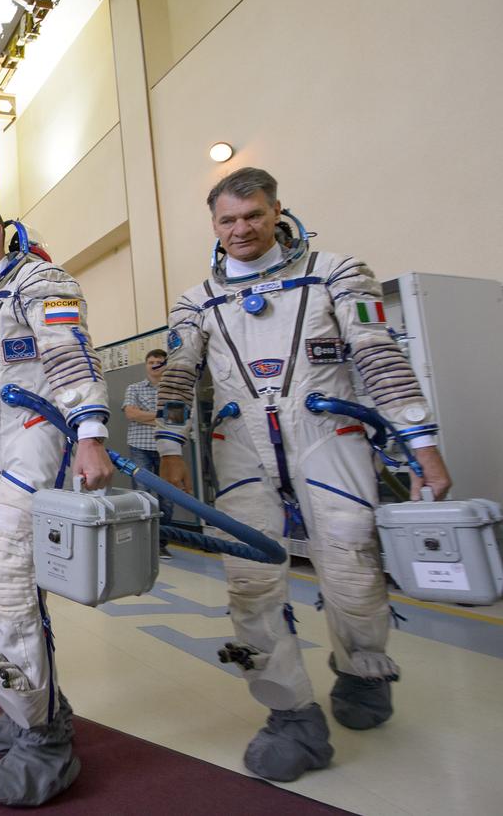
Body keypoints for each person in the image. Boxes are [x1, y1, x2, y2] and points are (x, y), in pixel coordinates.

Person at [156, 167, 452, 782]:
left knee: (351, 565)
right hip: (239, 445)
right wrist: (170, 447)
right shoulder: (197, 301)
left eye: (254, 216)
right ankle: (290, 714)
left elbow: (378, 353)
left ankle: (364, 667)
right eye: (229, 220)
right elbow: (180, 375)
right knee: (249, 581)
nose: (242, 229)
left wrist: (422, 445)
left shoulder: (336, 272)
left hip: (327, 436)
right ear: (213, 225)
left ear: (277, 212)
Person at [0, 200, 114, 806]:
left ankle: (45, 738)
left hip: (38, 447)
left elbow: (68, 355)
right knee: (0, 590)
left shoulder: (41, 281)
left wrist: (89, 435)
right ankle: (32, 705)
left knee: (9, 576)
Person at [122, 349, 173, 558]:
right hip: (139, 446)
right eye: (151, 362)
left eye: (159, 362)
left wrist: (146, 417)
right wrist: (161, 417)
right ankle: (142, 541)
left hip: (167, 449)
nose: (154, 365)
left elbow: (177, 418)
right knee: (142, 495)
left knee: (167, 498)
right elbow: (130, 413)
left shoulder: (173, 391)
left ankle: (161, 543)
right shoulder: (133, 388)